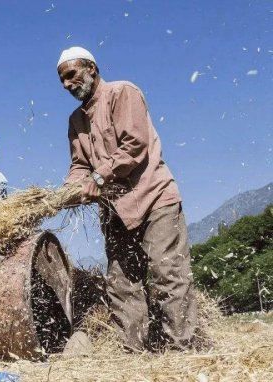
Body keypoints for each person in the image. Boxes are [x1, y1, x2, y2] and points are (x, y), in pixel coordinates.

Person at [56, 47, 196, 351]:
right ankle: (132, 352)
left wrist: (99, 177)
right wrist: (66, 192)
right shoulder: (75, 121)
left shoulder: (123, 93)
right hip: (115, 208)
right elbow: (80, 165)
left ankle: (179, 351)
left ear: (91, 68)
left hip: (153, 197)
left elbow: (135, 144)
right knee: (121, 283)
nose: (67, 85)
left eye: (71, 75)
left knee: (167, 274)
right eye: (62, 81)